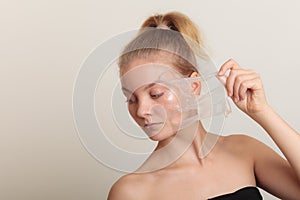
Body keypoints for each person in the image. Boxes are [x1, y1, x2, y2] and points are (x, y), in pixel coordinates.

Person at [107, 11, 300, 200]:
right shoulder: (131, 191)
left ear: (193, 86)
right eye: (131, 99)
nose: (141, 111)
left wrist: (262, 111)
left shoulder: (244, 151)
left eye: (155, 94)